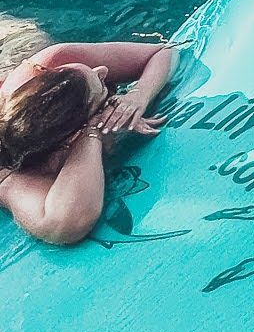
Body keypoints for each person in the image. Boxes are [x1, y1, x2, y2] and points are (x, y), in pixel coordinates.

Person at [0, 21, 176, 245]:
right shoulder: (10, 175)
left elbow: (164, 52)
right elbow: (63, 224)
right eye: (102, 84)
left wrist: (137, 96)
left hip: (22, 51)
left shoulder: (54, 62)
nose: (102, 69)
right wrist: (91, 131)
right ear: (71, 135)